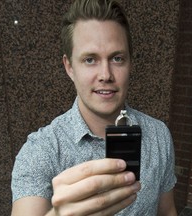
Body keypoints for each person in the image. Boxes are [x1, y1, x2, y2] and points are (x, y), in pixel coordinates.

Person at [11, 0, 177, 215]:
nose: (105, 75)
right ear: (69, 67)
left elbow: (168, 211)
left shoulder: (158, 135)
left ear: (130, 63)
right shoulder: (40, 150)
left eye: (117, 58)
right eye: (90, 60)